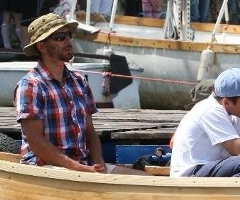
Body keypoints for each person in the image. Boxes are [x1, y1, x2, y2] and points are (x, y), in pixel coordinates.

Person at [15, 13, 146, 175]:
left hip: (83, 166)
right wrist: (79, 168)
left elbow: (90, 132)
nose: (68, 41)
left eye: (69, 35)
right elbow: (36, 142)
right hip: (44, 168)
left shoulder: (79, 81)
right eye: (60, 37)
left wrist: (99, 164)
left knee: (145, 178)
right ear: (41, 46)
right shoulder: (31, 85)